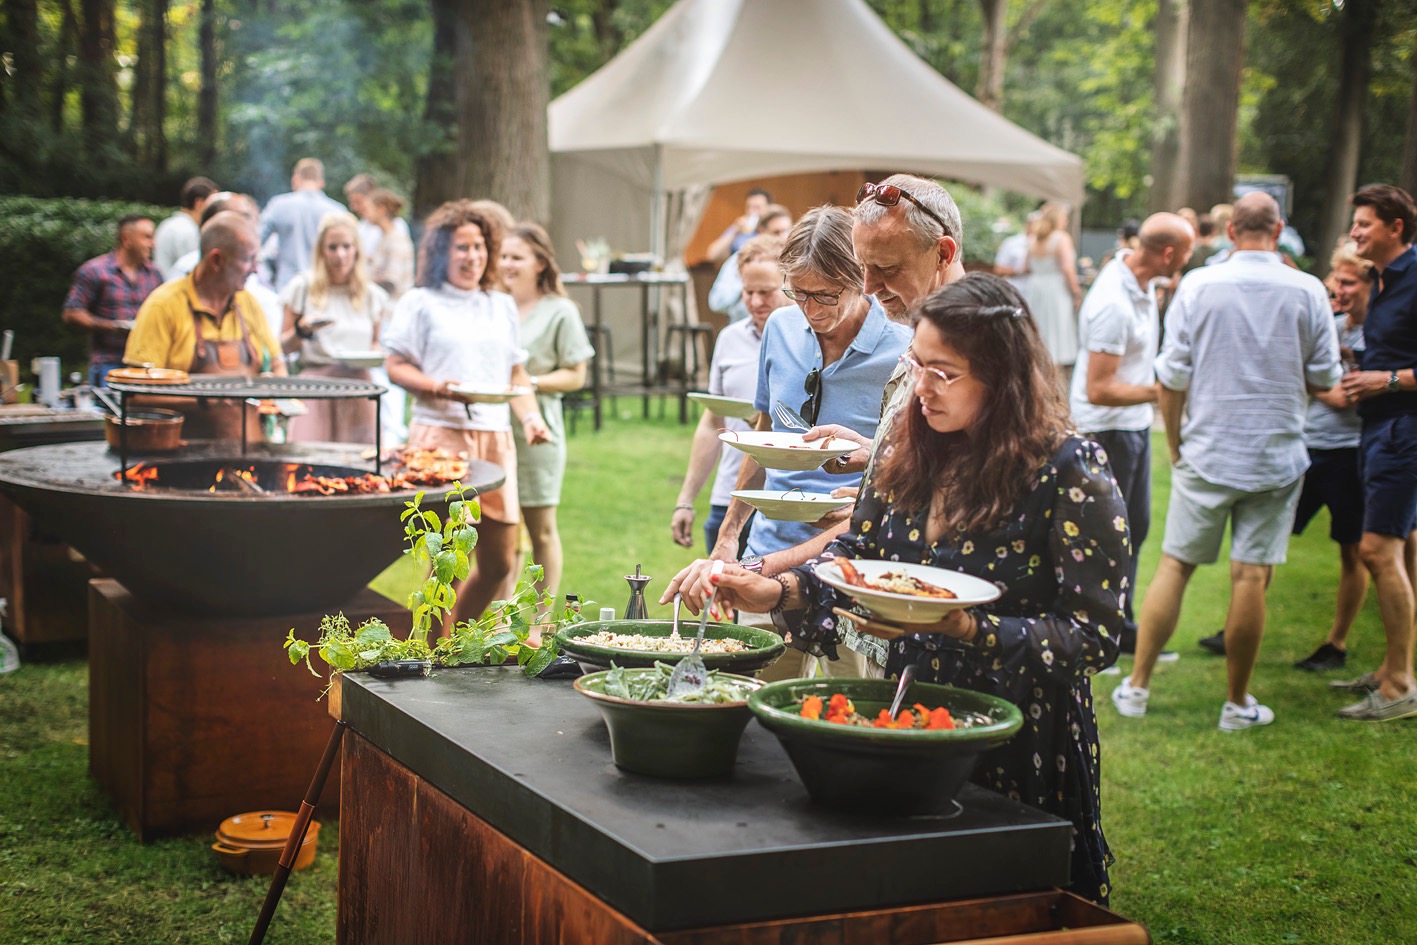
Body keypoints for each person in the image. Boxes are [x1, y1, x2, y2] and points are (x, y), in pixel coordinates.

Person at [666, 275, 1124, 905]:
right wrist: (776, 593)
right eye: (916, 364)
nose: (922, 387)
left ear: (1005, 376)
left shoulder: (1068, 469)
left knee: (1006, 905)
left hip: (1019, 736)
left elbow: (1097, 636)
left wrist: (967, 628)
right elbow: (860, 561)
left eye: (945, 372)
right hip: (907, 711)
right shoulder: (905, 451)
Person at [1111, 193, 1341, 731]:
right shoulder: (1308, 289)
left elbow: (1173, 375)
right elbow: (1327, 377)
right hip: (1276, 453)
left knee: (1176, 564)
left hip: (1207, 447)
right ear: (1279, 230)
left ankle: (1138, 687)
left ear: (1231, 230)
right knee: (1250, 576)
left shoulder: (1198, 285)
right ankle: (1237, 703)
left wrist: (1175, 442)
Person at [700, 206, 911, 680]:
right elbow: (762, 432)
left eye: (826, 296)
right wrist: (731, 534)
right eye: (799, 294)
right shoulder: (779, 326)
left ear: (860, 278)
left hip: (854, 563)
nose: (811, 311)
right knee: (754, 706)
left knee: (848, 721)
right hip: (770, 552)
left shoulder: (904, 345)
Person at [382, 200, 551, 627]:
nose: (472, 256)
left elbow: (515, 372)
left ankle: (455, 637)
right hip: (440, 438)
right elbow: (395, 364)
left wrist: (531, 418)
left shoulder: (500, 304)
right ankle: (430, 654)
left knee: (499, 562)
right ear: (441, 252)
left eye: (478, 246)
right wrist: (438, 387)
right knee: (447, 564)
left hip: (495, 439)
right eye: (461, 247)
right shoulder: (421, 302)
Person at [1069, 213, 1194, 660]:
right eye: (1186, 253)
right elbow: (1097, 388)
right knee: (1109, 534)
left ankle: (1122, 629)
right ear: (1166, 254)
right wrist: (1166, 390)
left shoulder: (1142, 284)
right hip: (1107, 430)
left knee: (1135, 528)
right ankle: (1102, 632)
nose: (1188, 261)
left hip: (1133, 426)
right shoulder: (1112, 302)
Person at [1329, 184, 1417, 720]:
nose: (1356, 232)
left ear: (1395, 227)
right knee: (1401, 548)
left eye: (1364, 224)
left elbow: (1399, 370)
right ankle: (1392, 667)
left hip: (1403, 431)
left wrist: (1386, 380)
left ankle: (1399, 686)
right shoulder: (1381, 281)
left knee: (1377, 551)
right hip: (1382, 427)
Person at [498, 222, 595, 614]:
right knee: (501, 533)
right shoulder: (492, 305)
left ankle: (540, 619)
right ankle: (499, 619)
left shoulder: (560, 311)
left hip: (538, 432)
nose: (507, 264)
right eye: (503, 256)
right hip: (491, 431)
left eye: (516, 257)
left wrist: (527, 382)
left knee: (540, 530)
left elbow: (576, 375)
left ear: (540, 262)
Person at [1288, 243, 1375, 672]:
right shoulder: (1332, 326)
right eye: (1335, 279)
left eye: (1348, 281)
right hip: (1307, 445)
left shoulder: (1378, 335)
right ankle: (1238, 629)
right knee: (1268, 540)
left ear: (1372, 286)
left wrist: (1312, 381)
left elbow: (1347, 397)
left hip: (1349, 454)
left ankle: (1336, 643)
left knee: (1351, 549)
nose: (1337, 288)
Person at [124, 212, 287, 440]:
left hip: (251, 455)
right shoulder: (163, 305)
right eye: (248, 259)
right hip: (185, 454)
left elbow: (277, 363)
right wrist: (206, 398)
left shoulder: (248, 303)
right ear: (216, 260)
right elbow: (135, 394)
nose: (255, 269)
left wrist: (275, 392)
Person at [672, 235, 788, 553]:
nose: (754, 301)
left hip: (784, 502)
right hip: (729, 496)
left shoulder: (807, 341)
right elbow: (713, 423)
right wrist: (685, 501)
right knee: (719, 601)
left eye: (766, 292)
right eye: (747, 292)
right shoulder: (730, 339)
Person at [278, 210, 391, 444]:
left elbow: (375, 343)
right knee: (308, 461)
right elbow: (283, 347)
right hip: (315, 385)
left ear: (357, 249)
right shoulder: (303, 287)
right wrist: (302, 330)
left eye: (346, 246)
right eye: (332, 247)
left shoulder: (371, 295)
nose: (340, 255)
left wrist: (377, 354)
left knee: (359, 464)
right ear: (321, 250)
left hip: (359, 386)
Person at [164, 192, 286, 344]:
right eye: (242, 217)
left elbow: (275, 359)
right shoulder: (181, 278)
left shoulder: (249, 300)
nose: (252, 223)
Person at [63, 215, 161, 388]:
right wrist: (113, 326)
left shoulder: (154, 274)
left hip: (146, 365)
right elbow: (72, 313)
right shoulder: (95, 271)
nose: (152, 244)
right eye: (146, 237)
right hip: (108, 363)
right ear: (126, 239)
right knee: (109, 414)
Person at [364, 187, 417, 447]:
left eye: (371, 206)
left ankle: (394, 431)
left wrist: (361, 279)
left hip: (393, 315)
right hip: (384, 314)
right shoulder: (384, 236)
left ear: (382, 208)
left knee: (389, 371)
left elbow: (392, 281)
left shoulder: (395, 238)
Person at [259, 157, 347, 292]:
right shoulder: (338, 211)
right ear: (321, 182)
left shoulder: (279, 205)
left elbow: (255, 241)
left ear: (295, 179)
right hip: (325, 288)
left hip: (287, 288)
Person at [1022, 202, 1082, 384]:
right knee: (1056, 331)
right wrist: (1077, 292)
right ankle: (1053, 380)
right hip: (1055, 290)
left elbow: (1026, 267)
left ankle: (1037, 375)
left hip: (1036, 288)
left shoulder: (1033, 239)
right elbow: (1067, 269)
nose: (1065, 221)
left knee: (1041, 330)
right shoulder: (1061, 238)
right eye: (1064, 218)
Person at [707, 205, 792, 323]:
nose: (784, 237)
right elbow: (717, 303)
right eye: (776, 232)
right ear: (761, 231)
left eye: (787, 231)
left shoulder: (797, 262)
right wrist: (750, 284)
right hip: (746, 334)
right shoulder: (740, 260)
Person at [153, 176, 218, 278]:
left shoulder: (167, 223)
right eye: (212, 203)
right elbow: (194, 271)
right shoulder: (187, 231)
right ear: (199, 203)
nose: (215, 209)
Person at [706, 188, 773, 265]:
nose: (751, 211)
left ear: (769, 209)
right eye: (748, 207)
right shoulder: (738, 229)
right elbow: (712, 256)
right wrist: (735, 231)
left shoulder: (776, 229)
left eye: (756, 207)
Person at [992, 213, 1033, 296]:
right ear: (1028, 224)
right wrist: (1020, 270)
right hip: (1015, 290)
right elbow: (998, 269)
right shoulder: (1011, 242)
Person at [342, 173, 382, 255]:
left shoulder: (394, 225)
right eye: (352, 202)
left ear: (372, 197)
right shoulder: (361, 226)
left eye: (358, 202)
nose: (353, 207)